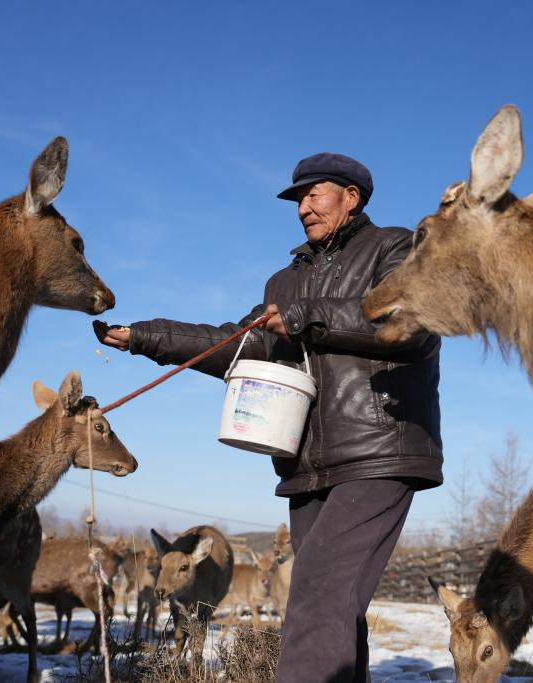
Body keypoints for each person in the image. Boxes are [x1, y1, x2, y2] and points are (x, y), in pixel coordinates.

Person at [94, 152, 442, 682]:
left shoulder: (394, 247)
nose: (302, 207)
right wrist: (146, 337)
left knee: (316, 588)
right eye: (297, 198)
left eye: (313, 194)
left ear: (351, 197)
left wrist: (305, 316)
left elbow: (408, 318)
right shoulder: (285, 281)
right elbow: (240, 343)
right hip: (305, 463)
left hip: (379, 448)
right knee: (334, 605)